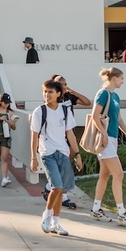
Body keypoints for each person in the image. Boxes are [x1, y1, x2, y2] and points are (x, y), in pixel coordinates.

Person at [30, 80, 81, 236]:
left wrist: (77, 154)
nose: (47, 95)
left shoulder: (65, 111)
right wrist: (33, 157)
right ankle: (46, 215)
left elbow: (70, 134)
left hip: (63, 153)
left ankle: (56, 223)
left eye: (50, 92)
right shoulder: (40, 111)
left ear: (59, 94)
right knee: (56, 187)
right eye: (45, 91)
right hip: (47, 153)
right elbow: (34, 136)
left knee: (61, 190)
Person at [89, 67, 126, 225]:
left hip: (113, 138)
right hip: (106, 140)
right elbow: (94, 116)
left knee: (105, 175)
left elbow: (118, 119)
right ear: (113, 78)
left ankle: (96, 209)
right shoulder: (103, 93)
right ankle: (121, 213)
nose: (123, 81)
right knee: (118, 174)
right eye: (121, 78)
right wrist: (103, 134)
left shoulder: (115, 96)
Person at [48, 74, 91, 209]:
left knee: (67, 161)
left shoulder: (68, 97)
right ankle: (61, 195)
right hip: (57, 135)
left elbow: (87, 102)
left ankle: (51, 188)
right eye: (62, 84)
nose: (65, 86)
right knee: (62, 164)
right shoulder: (54, 100)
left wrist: (72, 91)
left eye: (66, 84)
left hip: (69, 132)